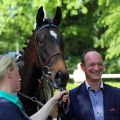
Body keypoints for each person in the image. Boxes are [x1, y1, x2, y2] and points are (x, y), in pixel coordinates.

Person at [0, 55, 68, 120]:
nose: (20, 78)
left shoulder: (6, 103)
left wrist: (54, 99)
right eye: (18, 72)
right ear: (10, 74)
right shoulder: (6, 106)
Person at [64, 49, 120, 120]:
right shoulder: (72, 96)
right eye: (92, 64)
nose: (96, 68)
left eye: (99, 64)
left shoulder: (117, 94)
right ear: (82, 67)